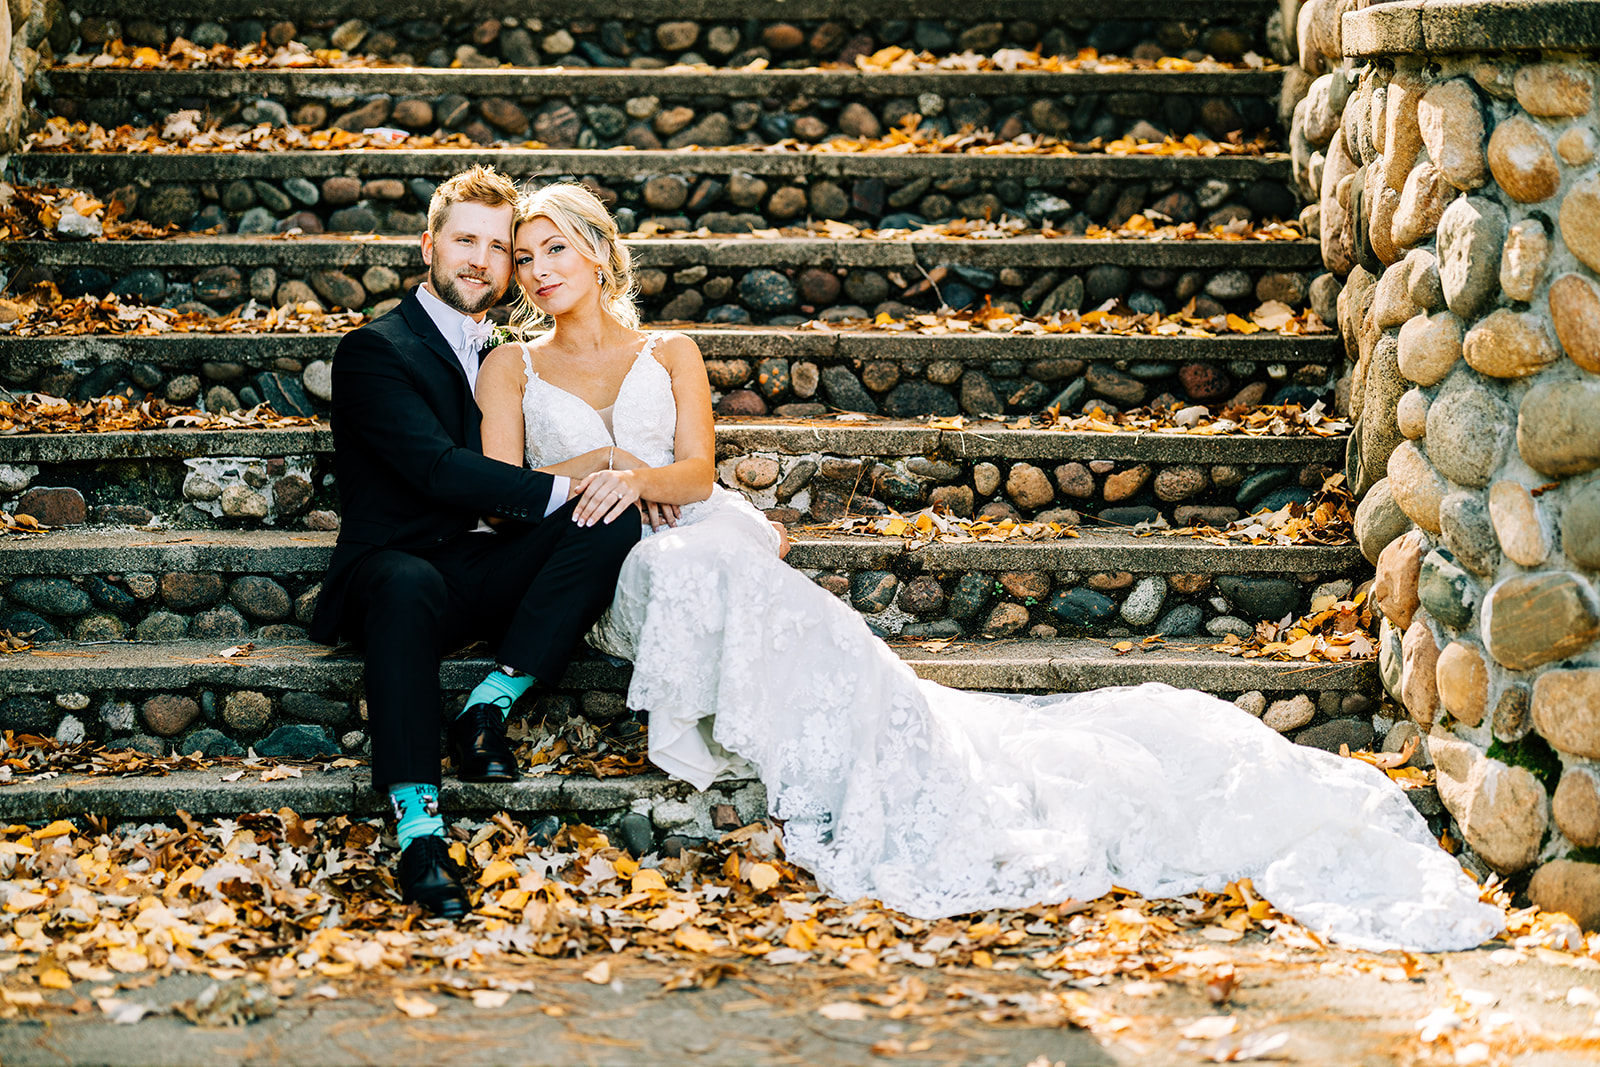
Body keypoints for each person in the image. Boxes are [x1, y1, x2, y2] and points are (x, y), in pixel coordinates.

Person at [470, 181, 1505, 952]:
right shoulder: (509, 363)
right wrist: (600, 469)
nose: (538, 269)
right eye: (523, 260)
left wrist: (638, 467)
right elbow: (504, 483)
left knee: (727, 569)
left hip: (694, 525)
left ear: (599, 253)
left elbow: (696, 468)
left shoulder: (673, 352)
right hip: (599, 561)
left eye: (553, 246)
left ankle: (880, 738)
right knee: (687, 573)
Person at [309, 166, 640, 920]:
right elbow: (435, 467)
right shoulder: (374, 349)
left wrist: (608, 482)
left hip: (483, 565)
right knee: (406, 583)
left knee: (613, 509)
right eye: (466, 240)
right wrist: (563, 487)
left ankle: (489, 703)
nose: (481, 260)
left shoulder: (507, 352)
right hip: (394, 571)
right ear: (429, 244)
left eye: (499, 248)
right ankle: (419, 828)